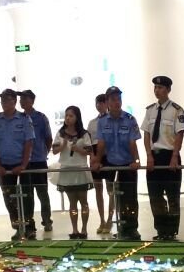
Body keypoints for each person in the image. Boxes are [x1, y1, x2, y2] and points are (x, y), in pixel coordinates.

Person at [91, 86, 141, 241]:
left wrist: (136, 160)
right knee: (116, 197)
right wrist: (97, 161)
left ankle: (132, 229)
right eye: (113, 99)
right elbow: (101, 143)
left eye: (119, 99)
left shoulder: (130, 119)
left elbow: (132, 143)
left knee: (130, 198)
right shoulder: (102, 122)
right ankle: (120, 227)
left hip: (127, 164)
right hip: (111, 164)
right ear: (107, 102)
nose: (117, 102)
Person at [141, 75, 184, 241]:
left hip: (170, 155)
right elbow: (146, 134)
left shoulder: (176, 110)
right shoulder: (150, 110)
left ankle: (171, 230)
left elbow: (179, 134)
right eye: (155, 87)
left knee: (173, 196)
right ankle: (161, 229)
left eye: (160, 88)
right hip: (154, 156)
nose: (157, 90)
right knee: (155, 196)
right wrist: (148, 155)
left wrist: (174, 156)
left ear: (168, 89)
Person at [0, 89, 36, 240]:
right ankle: (17, 227)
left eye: (7, 100)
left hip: (22, 165)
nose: (4, 103)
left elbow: (29, 143)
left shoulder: (24, 119)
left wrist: (23, 165)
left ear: (14, 101)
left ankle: (29, 227)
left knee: (27, 197)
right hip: (4, 166)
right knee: (8, 198)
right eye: (2, 100)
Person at [52, 106, 93, 239]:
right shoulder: (60, 133)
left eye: (71, 116)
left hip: (80, 169)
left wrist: (78, 149)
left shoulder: (84, 133)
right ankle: (74, 229)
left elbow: (89, 151)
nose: (68, 118)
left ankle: (84, 229)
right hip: (66, 169)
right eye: (66, 116)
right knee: (72, 202)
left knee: (83, 201)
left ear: (77, 117)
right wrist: (63, 146)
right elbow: (54, 150)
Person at [18, 90, 53, 233]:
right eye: (21, 99)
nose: (22, 102)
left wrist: (43, 153)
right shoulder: (19, 118)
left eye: (25, 99)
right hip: (24, 162)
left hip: (39, 161)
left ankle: (47, 220)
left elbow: (48, 138)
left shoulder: (40, 117)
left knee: (42, 192)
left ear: (32, 101)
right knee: (27, 194)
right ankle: (29, 224)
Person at [87, 94, 115, 235]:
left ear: (107, 104)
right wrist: (92, 157)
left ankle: (110, 219)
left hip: (108, 156)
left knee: (111, 189)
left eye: (102, 102)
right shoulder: (92, 123)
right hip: (94, 157)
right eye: (97, 102)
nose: (99, 105)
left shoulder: (112, 120)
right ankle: (102, 220)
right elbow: (89, 142)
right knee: (98, 189)